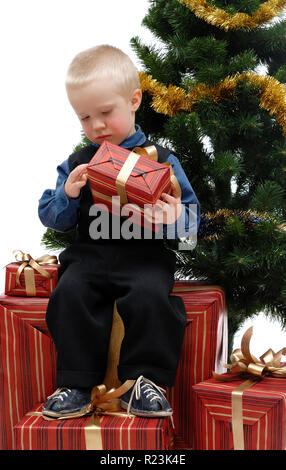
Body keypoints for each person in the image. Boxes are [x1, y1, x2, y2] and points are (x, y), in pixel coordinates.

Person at [38, 44, 200, 419]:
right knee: (71, 293)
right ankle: (75, 383)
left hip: (143, 258)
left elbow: (192, 222)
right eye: (85, 117)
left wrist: (172, 218)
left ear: (134, 100)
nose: (96, 126)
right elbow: (52, 218)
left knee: (151, 297)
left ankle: (144, 382)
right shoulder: (78, 163)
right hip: (89, 258)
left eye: (106, 113)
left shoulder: (161, 160)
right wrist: (68, 193)